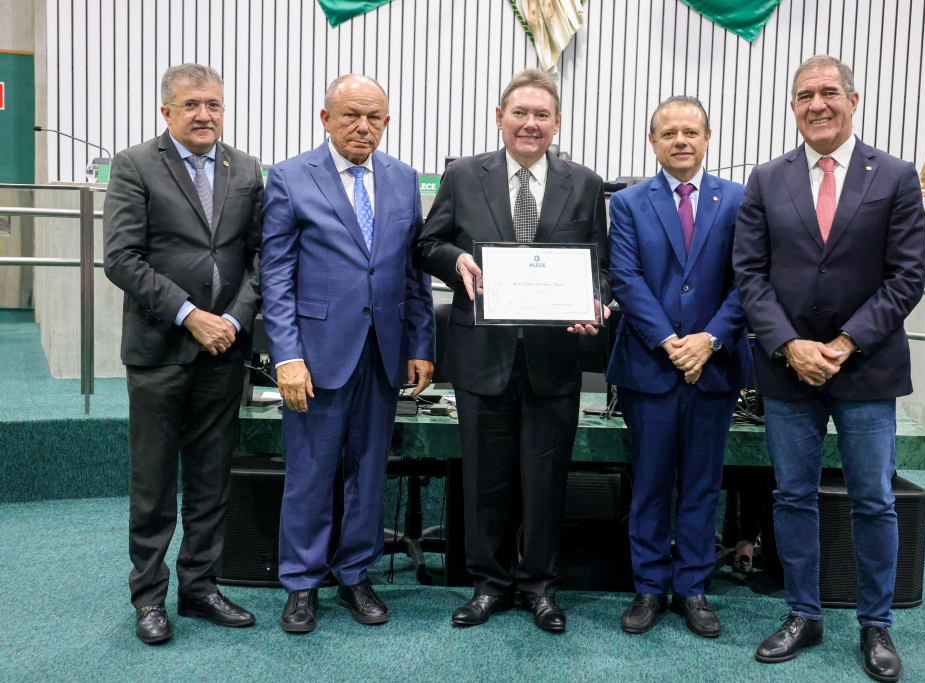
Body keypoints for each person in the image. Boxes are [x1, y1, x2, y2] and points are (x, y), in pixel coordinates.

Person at [733, 55, 925, 683]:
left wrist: (842, 345)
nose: (817, 104)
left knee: (873, 499)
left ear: (854, 98)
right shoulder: (765, 179)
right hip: (788, 369)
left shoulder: (895, 176)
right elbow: (750, 276)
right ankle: (803, 613)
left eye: (828, 93)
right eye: (804, 96)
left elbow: (907, 277)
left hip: (866, 369)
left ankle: (876, 626)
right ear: (793, 107)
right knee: (792, 496)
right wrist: (792, 346)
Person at [415, 68, 609, 633]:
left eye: (541, 115)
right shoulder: (462, 175)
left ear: (556, 122)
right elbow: (428, 244)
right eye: (519, 113)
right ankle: (489, 584)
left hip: (555, 359)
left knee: (547, 480)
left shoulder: (585, 182)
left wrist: (596, 302)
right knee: (485, 478)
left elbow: (603, 265)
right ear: (499, 118)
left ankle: (541, 587)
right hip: (482, 354)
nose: (530, 124)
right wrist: (456, 262)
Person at [260, 74, 435, 634]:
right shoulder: (289, 177)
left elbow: (413, 272)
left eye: (375, 117)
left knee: (368, 470)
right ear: (325, 118)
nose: (364, 127)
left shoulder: (404, 179)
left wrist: (421, 343)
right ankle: (302, 582)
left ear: (387, 121)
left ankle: (355, 574)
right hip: (315, 355)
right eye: (352, 116)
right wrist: (285, 354)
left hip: (383, 351)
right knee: (310, 472)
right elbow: (276, 275)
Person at [103, 63, 263, 645]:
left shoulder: (244, 168)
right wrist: (191, 316)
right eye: (192, 105)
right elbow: (121, 258)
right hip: (161, 350)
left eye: (214, 105)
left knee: (211, 478)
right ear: (166, 112)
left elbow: (259, 257)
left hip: (225, 348)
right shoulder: (135, 165)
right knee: (152, 484)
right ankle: (149, 596)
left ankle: (200, 587)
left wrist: (233, 319)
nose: (205, 115)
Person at [605, 96, 751, 637]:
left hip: (713, 368)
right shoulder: (627, 203)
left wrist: (709, 340)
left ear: (708, 137)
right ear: (653, 142)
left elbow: (748, 281)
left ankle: (692, 588)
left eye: (691, 131)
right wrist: (672, 342)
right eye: (669, 133)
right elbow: (625, 279)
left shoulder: (738, 200)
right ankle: (648, 587)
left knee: (701, 485)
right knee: (649, 482)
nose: (681, 141)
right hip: (650, 366)